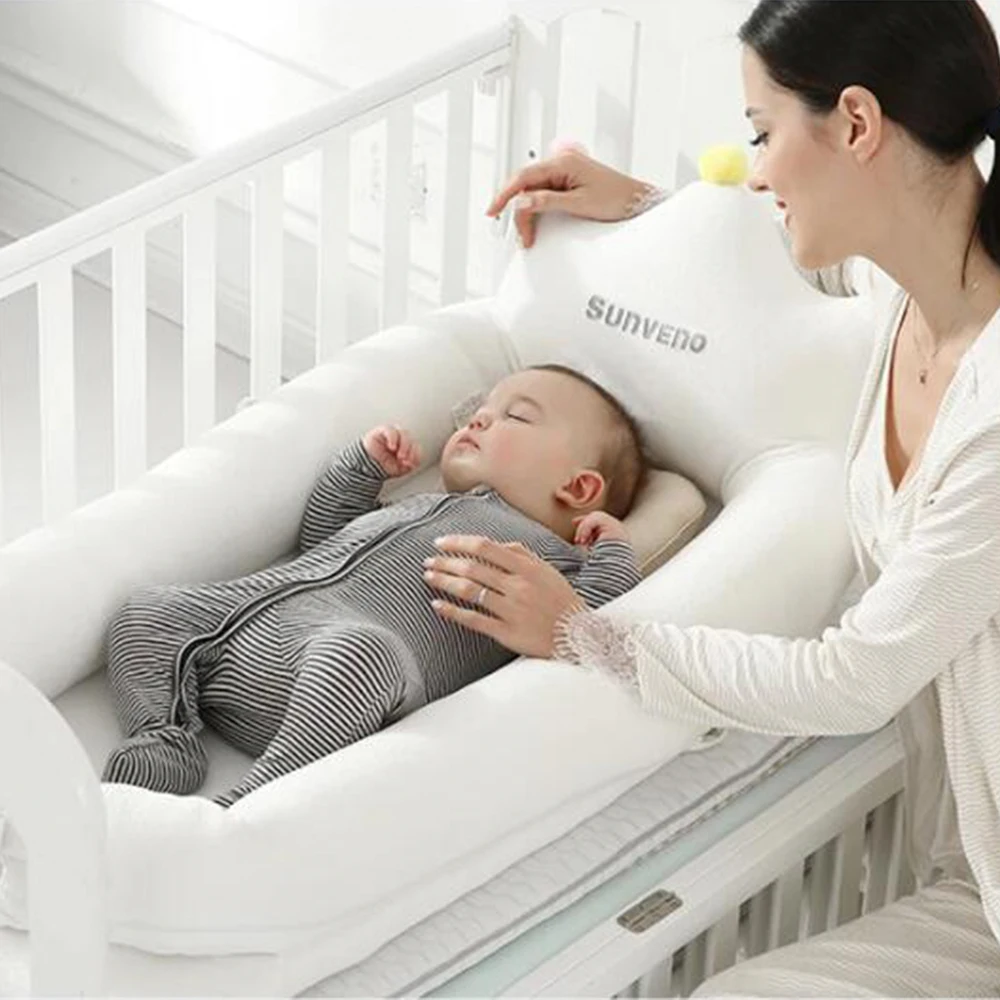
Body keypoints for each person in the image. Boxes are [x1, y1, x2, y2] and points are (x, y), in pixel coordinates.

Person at [422, 1, 1000, 994]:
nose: (758, 173)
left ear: (857, 124)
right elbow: (796, 279)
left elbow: (853, 679)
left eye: (762, 134)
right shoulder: (907, 290)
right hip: (972, 883)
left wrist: (586, 635)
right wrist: (646, 209)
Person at [102, 365, 646, 807]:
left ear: (578, 488)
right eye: (480, 409)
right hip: (240, 626)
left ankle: (253, 801)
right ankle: (163, 737)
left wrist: (614, 551)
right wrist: (360, 469)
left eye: (516, 416)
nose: (479, 418)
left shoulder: (545, 566)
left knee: (361, 654)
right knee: (147, 610)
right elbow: (320, 534)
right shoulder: (416, 502)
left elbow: (584, 625)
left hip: (337, 682)